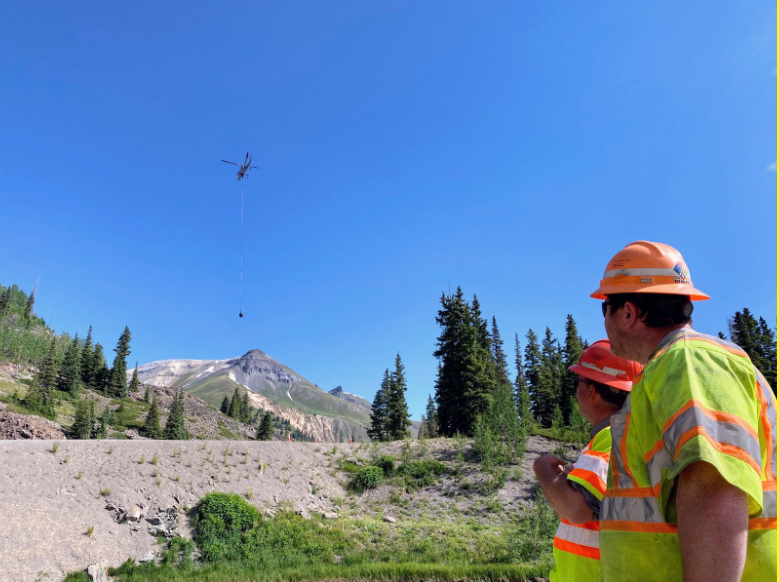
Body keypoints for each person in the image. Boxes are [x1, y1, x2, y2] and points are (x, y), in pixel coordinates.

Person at [591, 240, 777, 582]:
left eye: (605, 306)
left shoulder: (688, 361)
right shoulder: (672, 367)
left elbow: (715, 486)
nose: (603, 319)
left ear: (629, 312)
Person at [533, 340, 642, 582]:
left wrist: (542, 468)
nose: (576, 390)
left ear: (591, 391)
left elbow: (577, 510)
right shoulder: (634, 435)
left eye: (577, 382)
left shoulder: (612, 437)